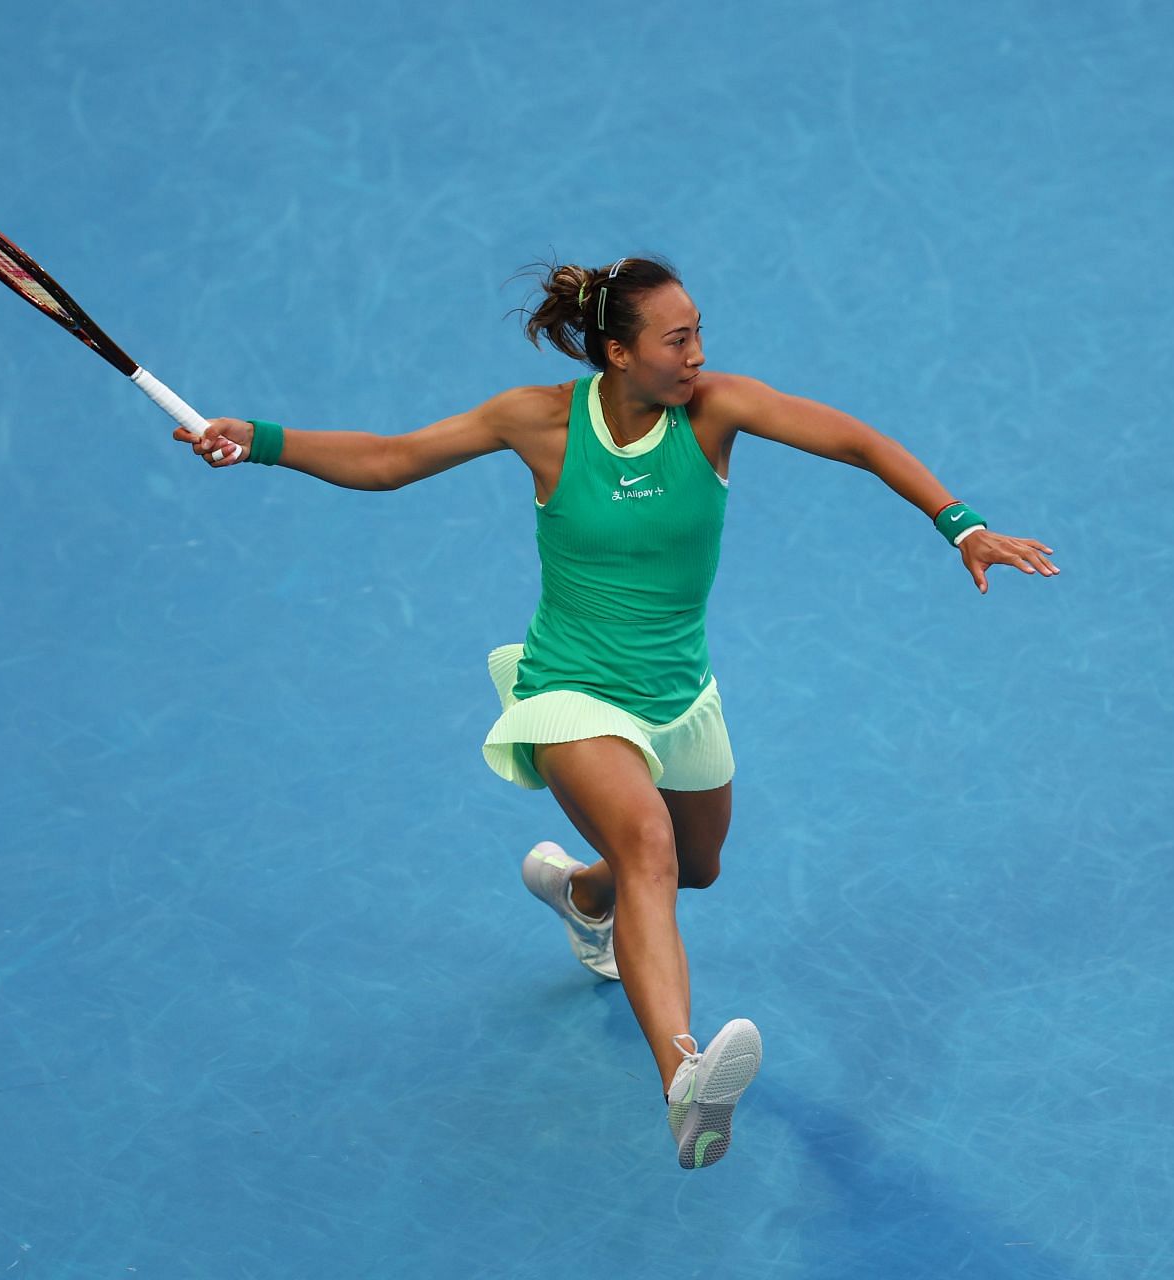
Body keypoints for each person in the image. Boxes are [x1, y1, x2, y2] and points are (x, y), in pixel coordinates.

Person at [174, 256, 1059, 1170]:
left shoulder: (717, 408)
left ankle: (580, 894)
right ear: (617, 353)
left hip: (678, 692)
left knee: (695, 869)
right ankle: (684, 1077)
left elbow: (857, 442)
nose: (697, 355)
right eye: (677, 340)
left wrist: (961, 523)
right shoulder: (541, 421)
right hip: (571, 689)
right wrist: (264, 439)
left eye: (699, 333)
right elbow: (393, 459)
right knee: (650, 843)